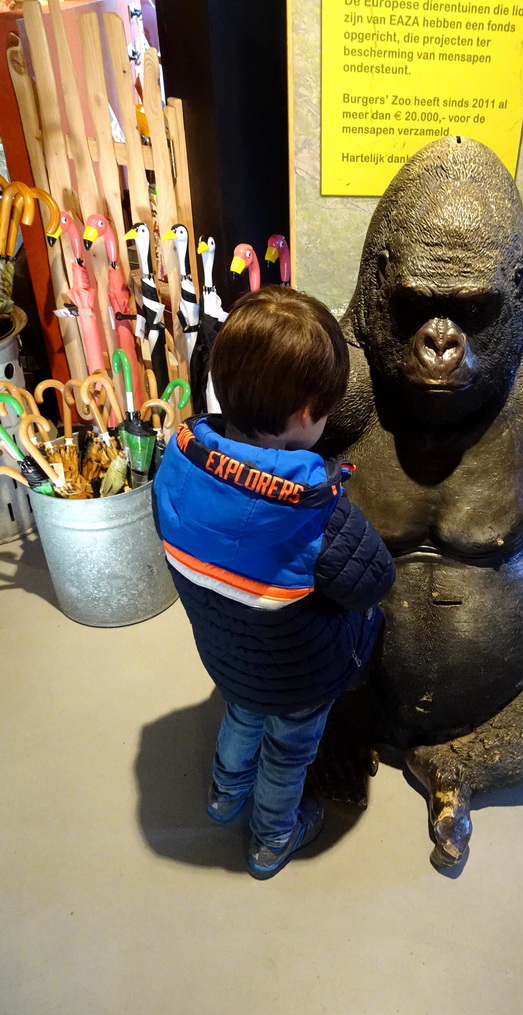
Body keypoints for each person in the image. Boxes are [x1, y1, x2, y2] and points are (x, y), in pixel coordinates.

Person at [152, 286, 395, 879]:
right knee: (288, 751)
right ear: (308, 413)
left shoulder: (177, 461)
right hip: (299, 675)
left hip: (225, 655)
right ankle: (272, 838)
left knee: (242, 714)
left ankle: (222, 796)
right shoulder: (315, 510)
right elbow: (373, 583)